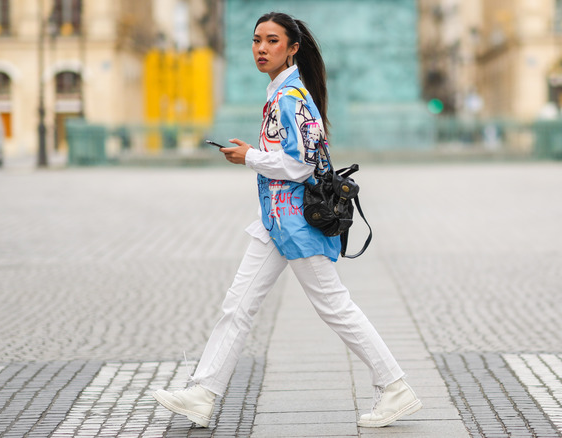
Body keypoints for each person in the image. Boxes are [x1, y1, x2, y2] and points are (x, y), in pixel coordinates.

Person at [151, 12, 421, 429]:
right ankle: (203, 393)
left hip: (297, 221)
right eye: (257, 40)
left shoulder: (291, 96)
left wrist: (250, 157)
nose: (261, 48)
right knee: (237, 306)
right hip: (276, 221)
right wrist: (253, 154)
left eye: (272, 41)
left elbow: (299, 164)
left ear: (292, 48)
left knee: (335, 307)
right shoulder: (282, 94)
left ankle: (395, 386)